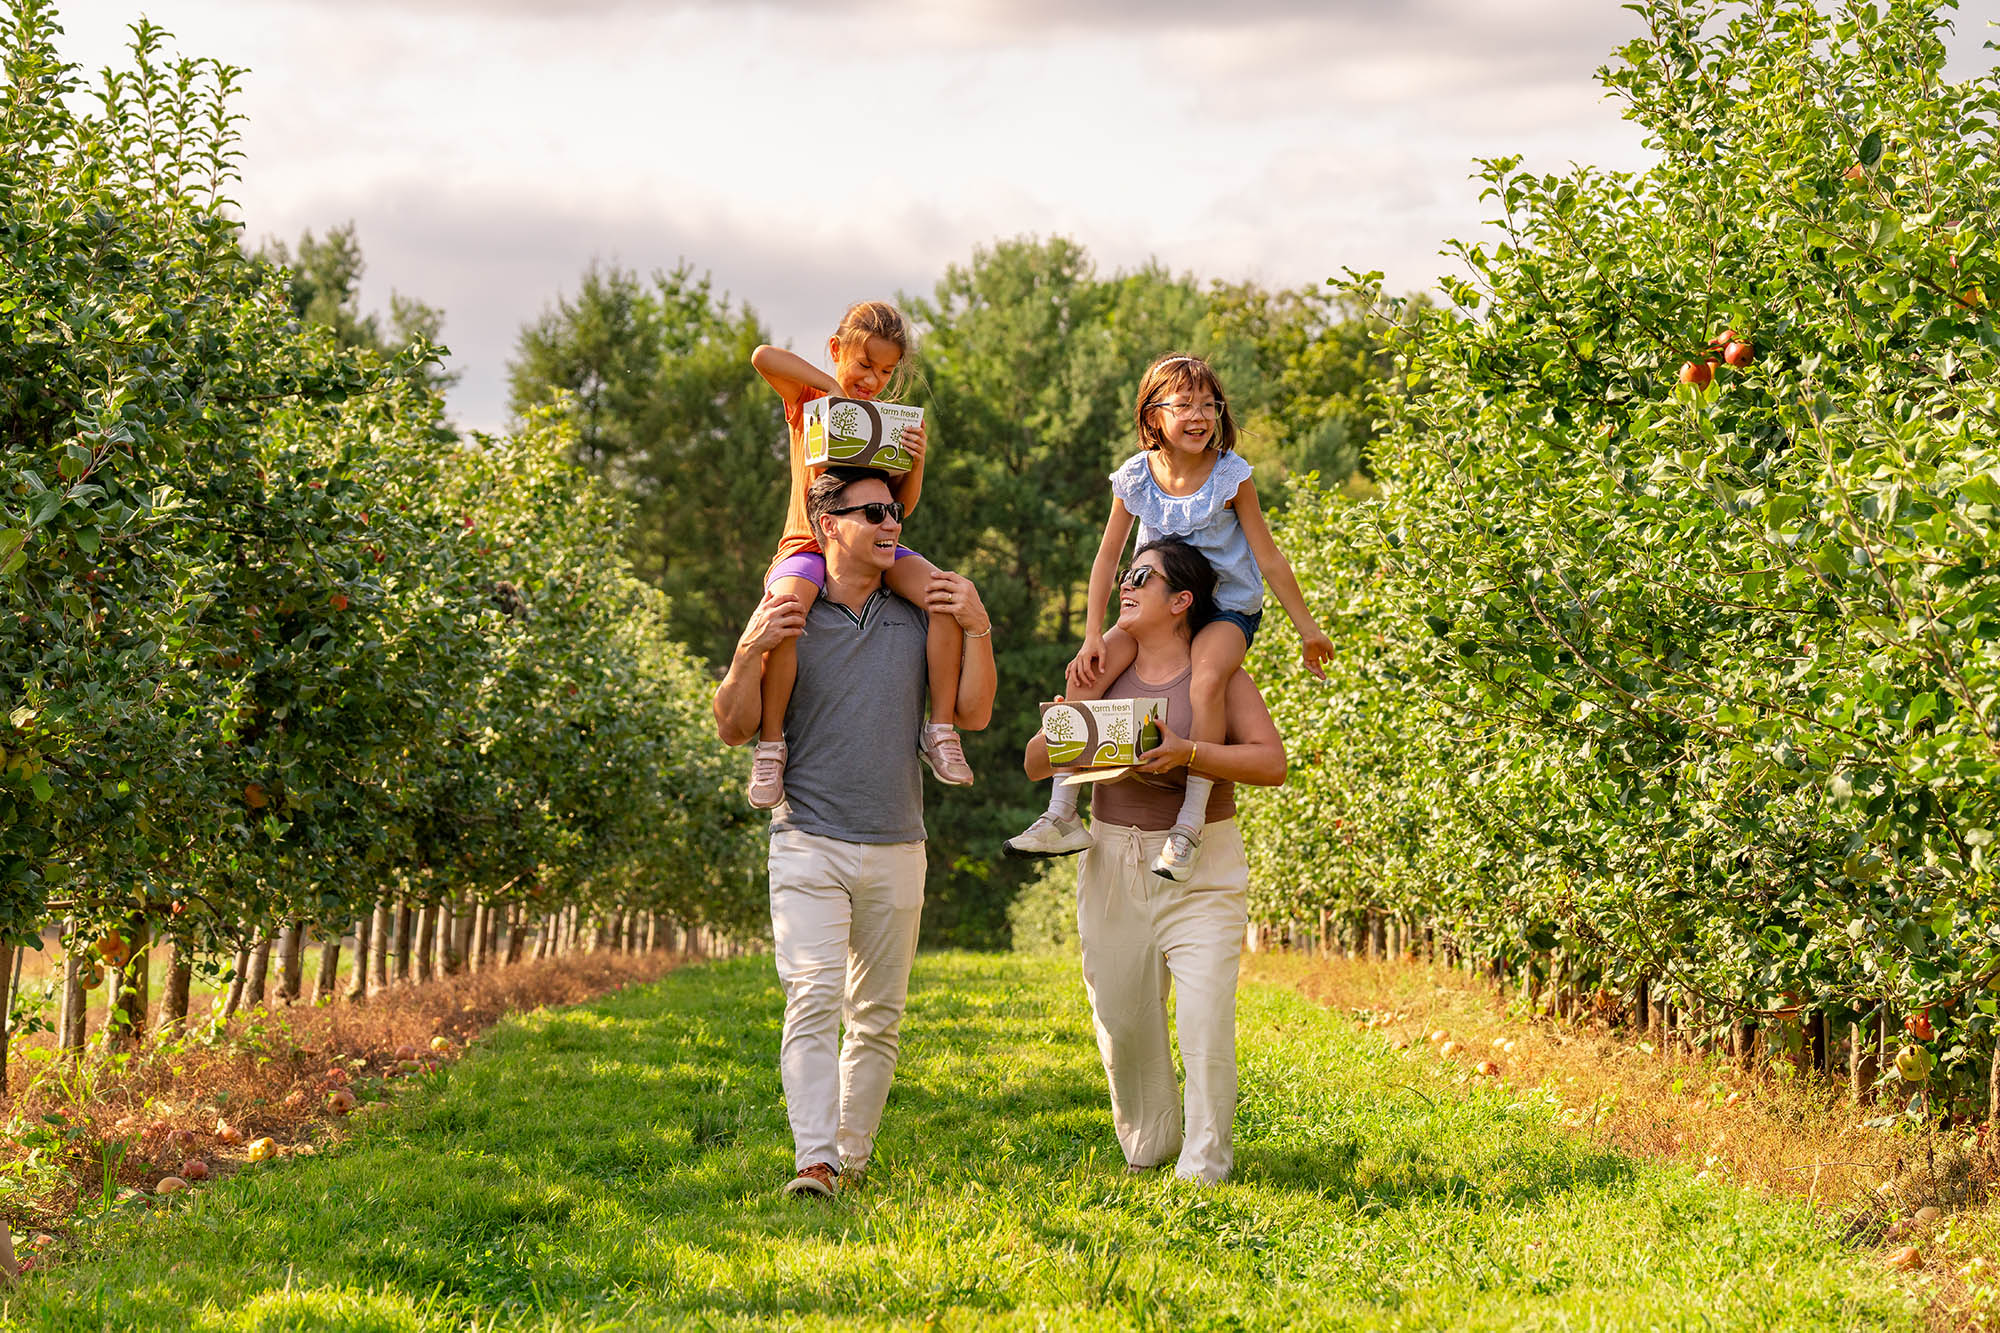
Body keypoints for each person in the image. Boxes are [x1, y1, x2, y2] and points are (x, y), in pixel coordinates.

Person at [713, 467, 996, 1199]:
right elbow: (731, 725)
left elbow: (975, 712)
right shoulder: (792, 607)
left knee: (876, 1015)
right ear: (829, 523)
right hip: (808, 836)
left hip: (900, 841)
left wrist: (978, 624)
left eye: (895, 509)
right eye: (873, 511)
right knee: (812, 996)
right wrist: (748, 651)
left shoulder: (917, 614)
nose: (892, 522)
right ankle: (815, 1159)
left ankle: (851, 1155)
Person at [1005, 352, 1329, 882]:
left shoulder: (1230, 476)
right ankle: (1062, 813)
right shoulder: (1135, 477)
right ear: (1154, 416)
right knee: (1086, 669)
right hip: (1158, 608)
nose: (1200, 415)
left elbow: (1268, 555)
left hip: (1224, 606)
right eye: (1185, 405)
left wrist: (1308, 630)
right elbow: (1108, 558)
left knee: (1206, 679)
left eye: (1209, 404)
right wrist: (1091, 633)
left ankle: (1189, 823)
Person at [1021, 538, 1285, 1184]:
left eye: (1143, 575)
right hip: (1113, 861)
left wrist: (1190, 752)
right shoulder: (1100, 670)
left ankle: (1205, 1162)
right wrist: (1069, 728)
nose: (1126, 585)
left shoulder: (1222, 676)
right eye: (1126, 574)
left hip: (1203, 867)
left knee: (1204, 1019)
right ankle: (1153, 1136)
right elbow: (1033, 762)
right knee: (1121, 1018)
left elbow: (1270, 762)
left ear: (1182, 600)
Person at [746, 301, 974, 810]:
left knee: (944, 595)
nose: (873, 379)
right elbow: (763, 356)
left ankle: (940, 730)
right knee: (785, 612)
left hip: (876, 543)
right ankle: (771, 745)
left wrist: (916, 460)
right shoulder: (809, 400)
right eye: (864, 364)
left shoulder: (890, 423)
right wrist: (832, 389)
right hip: (809, 544)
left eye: (887, 370)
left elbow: (902, 509)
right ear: (836, 350)